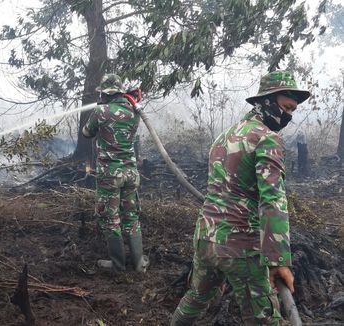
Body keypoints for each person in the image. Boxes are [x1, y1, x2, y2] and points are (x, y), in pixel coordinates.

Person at [170, 70, 311, 325]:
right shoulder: (267, 138)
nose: (289, 116)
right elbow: (273, 201)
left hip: (205, 237)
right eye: (286, 107)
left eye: (293, 111)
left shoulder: (224, 137)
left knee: (196, 298)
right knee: (264, 317)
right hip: (240, 246)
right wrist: (278, 261)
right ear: (267, 100)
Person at [82, 74, 149, 273]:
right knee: (131, 216)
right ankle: (139, 263)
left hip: (110, 175)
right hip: (131, 173)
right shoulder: (133, 112)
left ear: (104, 92)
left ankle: (118, 265)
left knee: (110, 218)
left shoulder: (100, 111)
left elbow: (87, 132)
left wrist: (99, 108)